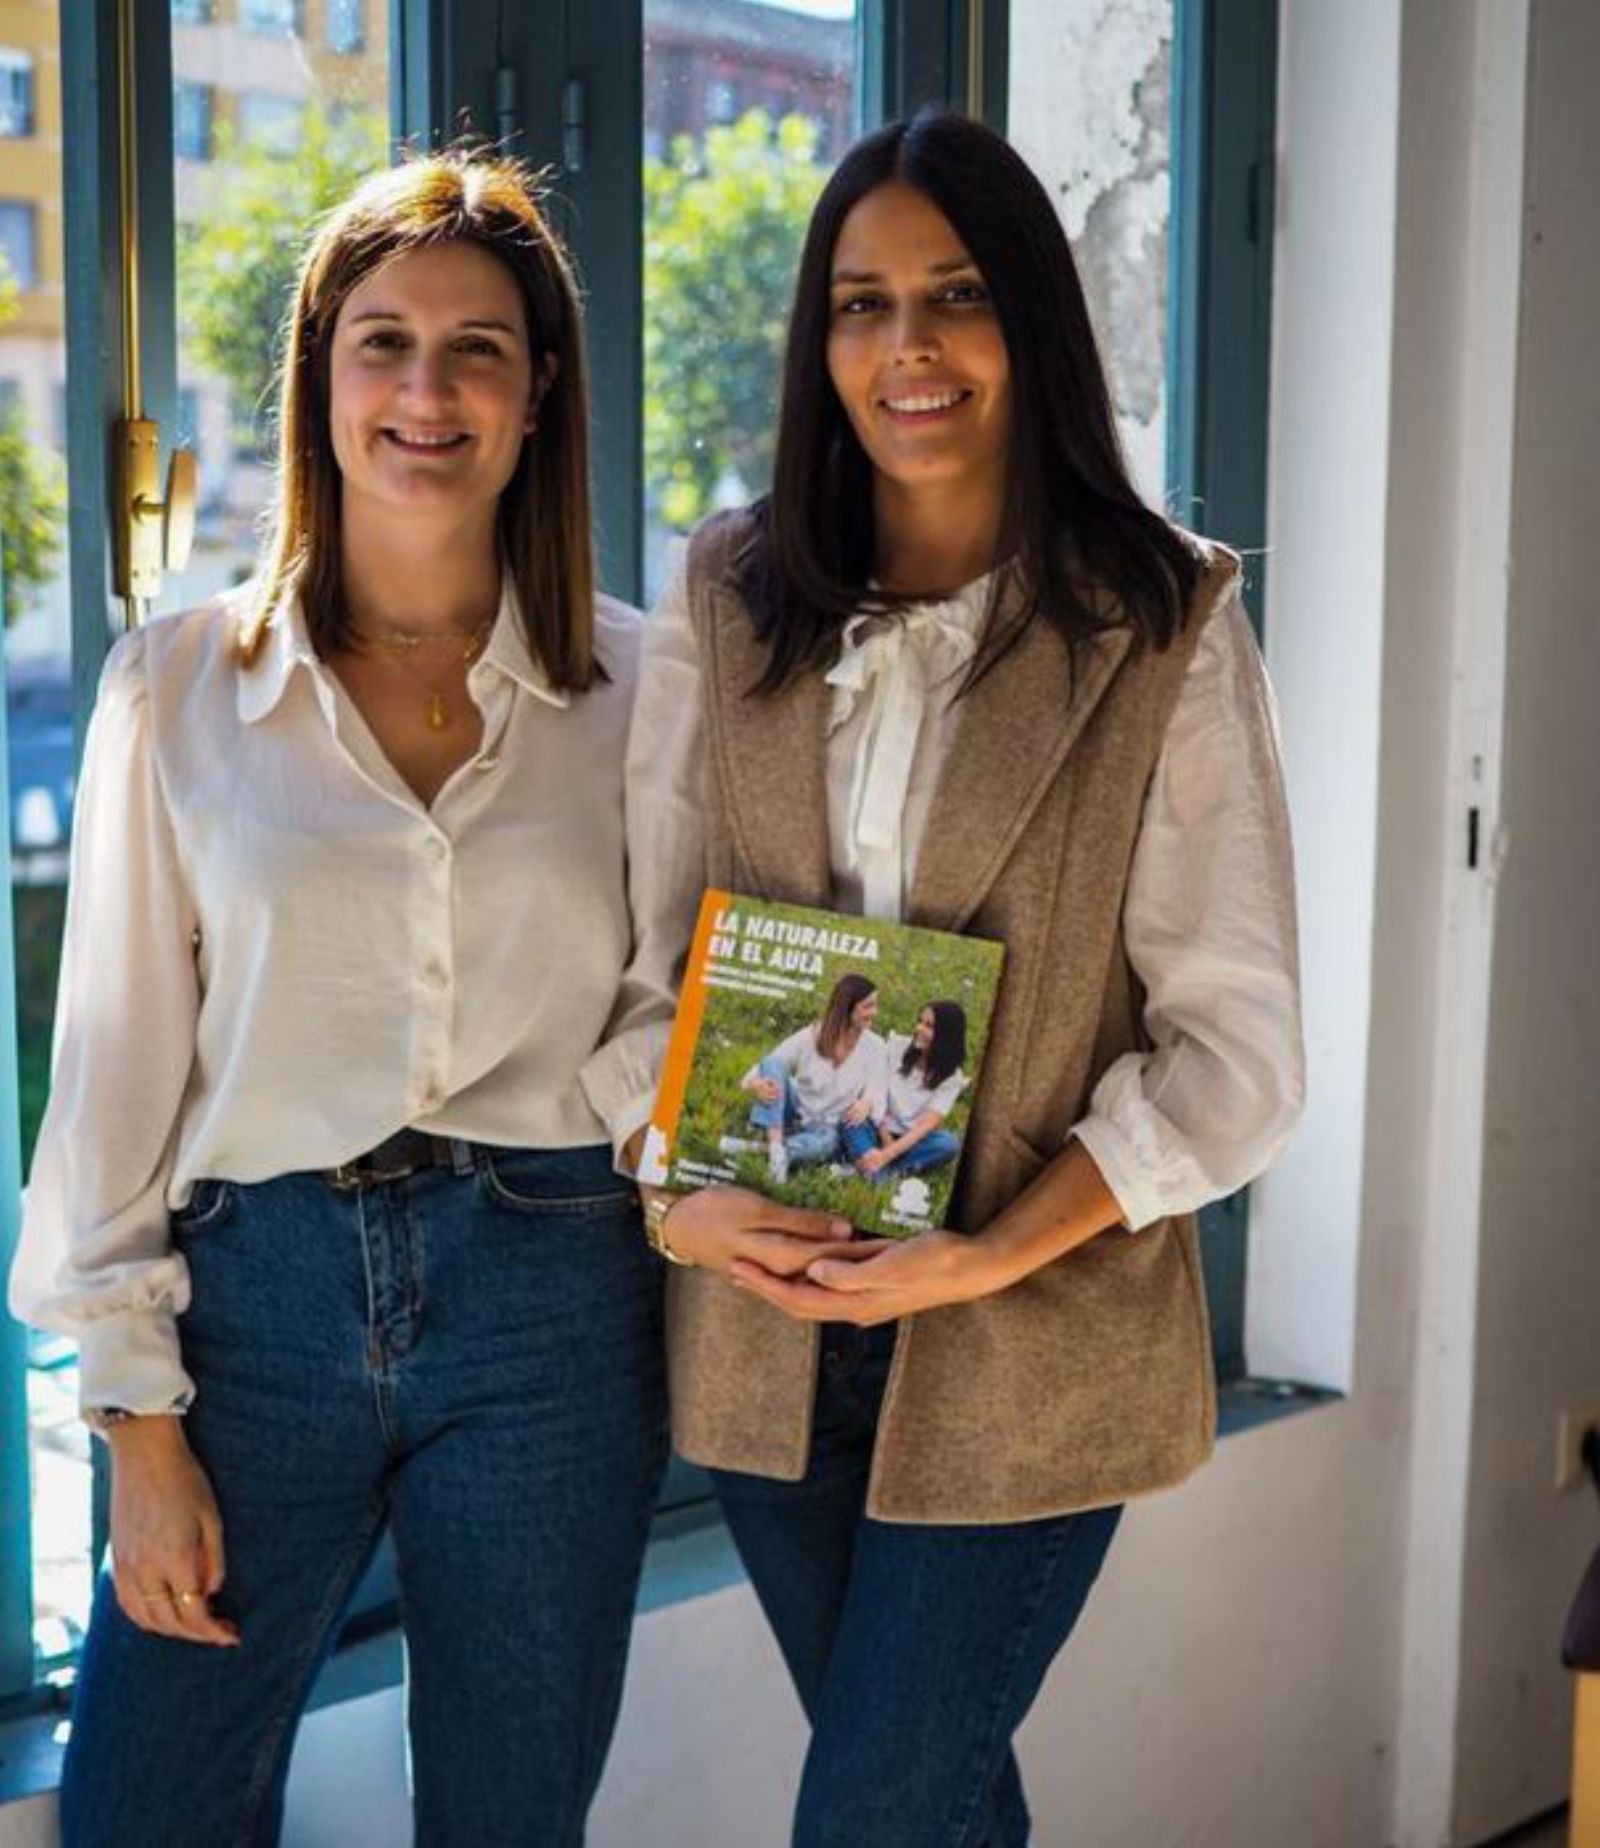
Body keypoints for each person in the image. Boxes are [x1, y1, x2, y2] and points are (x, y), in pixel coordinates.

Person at [619, 110, 1305, 1846]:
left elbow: (1237, 1052)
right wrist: (673, 1192)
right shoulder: (728, 593)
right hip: (766, 1330)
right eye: (859, 304)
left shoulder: (1162, 622)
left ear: (1037, 326)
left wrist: (991, 1245)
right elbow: (643, 967)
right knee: (936, 1814)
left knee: (867, 1819)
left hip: (1028, 1336)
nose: (905, 348)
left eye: (957, 295)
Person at [8, 152, 671, 1847]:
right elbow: (111, 1073)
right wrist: (135, 1413)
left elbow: (671, 1005)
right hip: (254, 1312)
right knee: (143, 1809)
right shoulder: (181, 689)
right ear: (319, 381)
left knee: (509, 1815)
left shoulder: (645, 687)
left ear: (539, 400)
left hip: (553, 1307)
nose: (426, 391)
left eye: (479, 350)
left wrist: (646, 1140)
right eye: (382, 342)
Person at [722, 972, 885, 1182]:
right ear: (847, 1008)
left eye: (874, 1005)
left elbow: (878, 1089)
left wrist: (866, 1102)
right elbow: (763, 1067)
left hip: (827, 1128)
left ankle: (758, 1149)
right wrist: (756, 1085)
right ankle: (776, 1149)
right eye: (868, 1006)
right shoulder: (813, 1034)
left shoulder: (876, 1047)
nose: (875, 1012)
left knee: (825, 1146)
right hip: (793, 1109)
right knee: (774, 1064)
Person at [840, 999, 966, 1183]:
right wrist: (886, 1139)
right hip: (877, 1126)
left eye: (929, 1026)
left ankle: (877, 1171)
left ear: (946, 1036)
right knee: (851, 1118)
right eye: (921, 1021)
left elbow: (925, 1126)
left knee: (948, 1144)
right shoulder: (896, 1047)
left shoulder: (952, 1078)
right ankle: (881, 1172)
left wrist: (888, 1154)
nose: (919, 1029)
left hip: (910, 1140)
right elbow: (877, 1093)